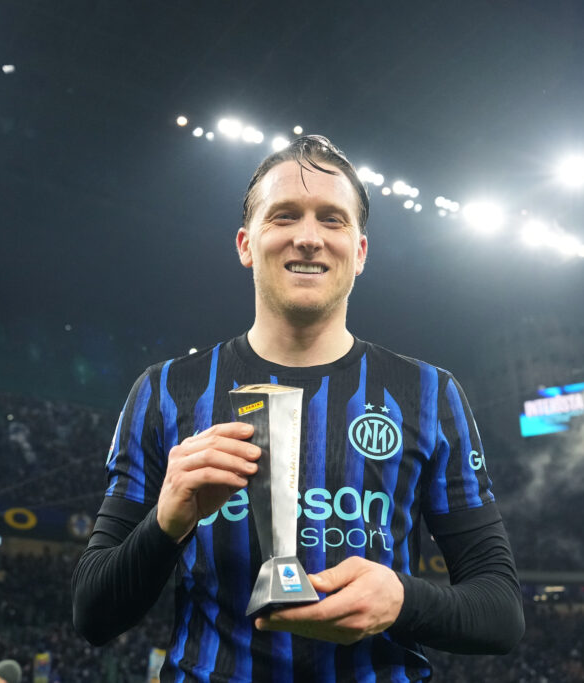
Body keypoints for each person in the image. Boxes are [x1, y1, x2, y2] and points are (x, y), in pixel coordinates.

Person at [72, 135, 524, 680]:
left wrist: (403, 600)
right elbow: (92, 615)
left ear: (359, 252)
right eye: (284, 215)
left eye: (332, 220)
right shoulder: (166, 391)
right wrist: (166, 523)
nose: (309, 238)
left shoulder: (429, 393)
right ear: (246, 243)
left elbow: (501, 610)